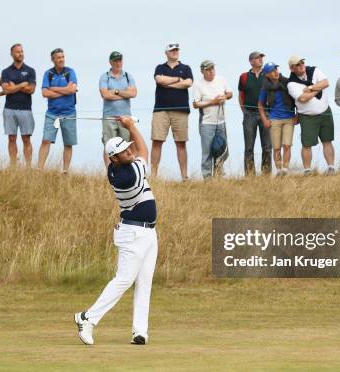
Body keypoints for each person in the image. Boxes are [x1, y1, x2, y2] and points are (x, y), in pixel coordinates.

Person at [75, 116, 158, 346]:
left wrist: (118, 133)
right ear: (115, 158)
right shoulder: (129, 174)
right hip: (134, 234)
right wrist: (130, 125)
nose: (129, 152)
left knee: (145, 282)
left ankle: (140, 331)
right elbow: (144, 149)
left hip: (148, 233)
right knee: (123, 280)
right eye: (123, 152)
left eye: (128, 148)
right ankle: (87, 318)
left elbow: (117, 152)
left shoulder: (114, 167)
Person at [286, 55, 336, 175]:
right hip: (307, 116)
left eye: (302, 62)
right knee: (307, 144)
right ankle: (307, 170)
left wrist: (311, 88)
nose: (301, 65)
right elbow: (303, 98)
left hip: (325, 112)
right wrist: (318, 89)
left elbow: (326, 82)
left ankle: (331, 168)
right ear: (292, 69)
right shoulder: (291, 83)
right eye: (297, 64)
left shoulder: (314, 70)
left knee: (327, 140)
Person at [151, 43, 193, 179]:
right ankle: (153, 176)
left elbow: (188, 83)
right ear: (166, 53)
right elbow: (159, 80)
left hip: (180, 110)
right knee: (157, 141)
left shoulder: (186, 68)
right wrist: (177, 80)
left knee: (181, 143)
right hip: (160, 110)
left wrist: (168, 83)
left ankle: (184, 177)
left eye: (176, 50)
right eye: (172, 50)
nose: (175, 52)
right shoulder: (160, 67)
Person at [38, 48, 78, 171]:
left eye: (62, 57)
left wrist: (53, 88)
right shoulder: (48, 74)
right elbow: (45, 93)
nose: (61, 59)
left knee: (68, 143)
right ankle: (39, 170)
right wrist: (65, 91)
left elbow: (72, 90)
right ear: (53, 59)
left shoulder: (70, 72)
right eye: (58, 57)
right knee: (46, 140)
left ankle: (65, 171)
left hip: (69, 113)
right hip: (52, 113)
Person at [192, 60, 232, 179]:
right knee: (207, 151)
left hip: (221, 121)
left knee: (221, 149)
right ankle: (207, 177)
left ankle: (219, 175)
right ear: (203, 71)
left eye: (212, 68)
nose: (211, 71)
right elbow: (195, 104)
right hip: (206, 123)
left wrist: (224, 96)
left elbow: (230, 93)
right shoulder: (198, 84)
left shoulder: (221, 79)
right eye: (208, 70)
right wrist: (213, 102)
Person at [258, 62, 297, 176]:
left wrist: (297, 115)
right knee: (276, 148)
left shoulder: (288, 83)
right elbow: (260, 104)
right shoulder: (265, 87)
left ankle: (285, 170)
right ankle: (279, 171)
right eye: (272, 71)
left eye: (276, 69)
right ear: (267, 75)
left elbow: (298, 99)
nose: (275, 72)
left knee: (287, 145)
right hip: (274, 119)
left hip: (289, 118)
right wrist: (265, 119)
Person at [99, 51, 137, 166]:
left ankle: (128, 168)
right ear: (110, 62)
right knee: (109, 145)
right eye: (115, 60)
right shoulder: (104, 76)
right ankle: (110, 171)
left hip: (125, 116)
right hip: (109, 116)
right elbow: (105, 95)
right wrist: (124, 93)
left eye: (120, 60)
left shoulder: (128, 76)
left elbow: (133, 93)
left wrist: (115, 91)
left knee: (126, 144)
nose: (118, 63)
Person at [1, 43, 36, 168]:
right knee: (11, 138)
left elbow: (31, 90)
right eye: (17, 52)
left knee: (26, 139)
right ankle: (13, 166)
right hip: (9, 109)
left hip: (25, 109)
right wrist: (21, 85)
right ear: (12, 54)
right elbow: (6, 90)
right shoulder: (6, 72)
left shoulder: (30, 71)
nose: (20, 54)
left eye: (22, 51)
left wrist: (13, 86)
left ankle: (28, 166)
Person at [239, 51, 272, 176]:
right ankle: (250, 175)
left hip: (266, 114)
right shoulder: (244, 77)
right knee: (248, 148)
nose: (261, 60)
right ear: (251, 61)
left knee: (267, 146)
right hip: (250, 115)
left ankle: (266, 174)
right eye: (258, 58)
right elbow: (241, 95)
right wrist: (245, 111)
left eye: (261, 58)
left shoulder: (268, 75)